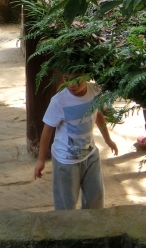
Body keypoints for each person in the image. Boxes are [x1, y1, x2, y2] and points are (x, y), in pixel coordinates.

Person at [34, 74, 119, 210]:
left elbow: (97, 114)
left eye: (77, 79)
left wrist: (108, 140)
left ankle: (91, 227)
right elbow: (47, 131)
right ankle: (67, 228)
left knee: (96, 197)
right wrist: (41, 160)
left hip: (90, 154)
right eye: (67, 78)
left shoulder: (94, 90)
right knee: (66, 203)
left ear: (87, 76)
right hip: (66, 160)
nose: (72, 84)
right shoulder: (59, 101)